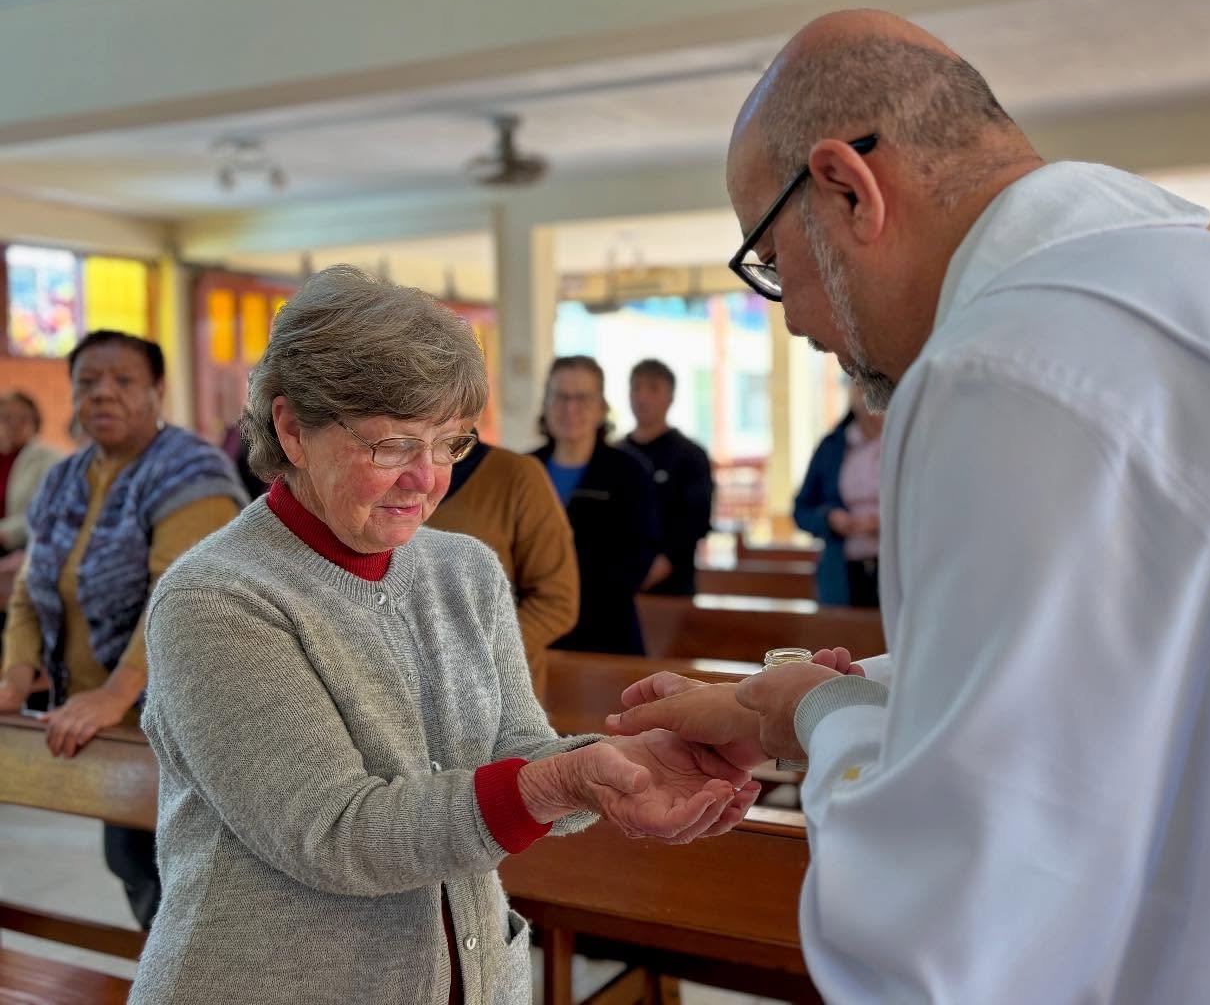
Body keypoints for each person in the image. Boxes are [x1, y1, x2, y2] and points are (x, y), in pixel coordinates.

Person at [608, 10, 1210, 1001]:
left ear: (845, 187)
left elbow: (964, 915)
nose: (787, 317)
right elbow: (1146, 660)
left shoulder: (1008, 368)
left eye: (773, 263)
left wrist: (827, 715)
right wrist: (772, 708)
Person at [128, 269, 758, 1005]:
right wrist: (553, 784)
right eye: (392, 445)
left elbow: (513, 749)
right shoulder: (217, 598)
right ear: (294, 429)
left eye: (450, 444)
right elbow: (333, 830)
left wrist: (617, 764)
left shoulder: (466, 570)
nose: (425, 480)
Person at [0, 331, 246, 931]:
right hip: (121, 722)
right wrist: (14, 675)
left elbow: (179, 600)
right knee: (135, 858)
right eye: (87, 381)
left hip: (197, 718)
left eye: (124, 380)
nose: (103, 394)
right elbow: (31, 588)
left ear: (157, 390)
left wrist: (114, 693)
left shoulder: (193, 474)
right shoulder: (66, 477)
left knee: (196, 876)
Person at [426, 435, 580, 696]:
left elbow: (557, 602)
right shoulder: (387, 471)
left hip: (496, 695)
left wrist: (471, 656)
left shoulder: (518, 476)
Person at [532, 356, 661, 655]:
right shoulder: (525, 468)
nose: (570, 408)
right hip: (536, 634)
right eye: (561, 397)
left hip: (606, 633)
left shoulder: (629, 471)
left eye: (582, 398)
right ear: (547, 403)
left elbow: (640, 555)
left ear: (601, 408)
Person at [623, 358, 714, 596]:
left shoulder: (690, 456)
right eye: (636, 387)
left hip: (673, 588)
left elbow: (695, 521)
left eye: (653, 388)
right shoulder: (614, 455)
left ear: (670, 398)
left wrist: (660, 566)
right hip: (618, 585)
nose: (642, 396)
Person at [792, 381, 883, 606]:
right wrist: (830, 518)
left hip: (895, 564)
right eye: (860, 387)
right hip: (843, 570)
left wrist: (884, 521)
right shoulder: (832, 446)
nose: (865, 397)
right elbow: (801, 510)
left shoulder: (908, 441)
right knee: (845, 635)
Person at [0, 391, 62, 556]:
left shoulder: (50, 460)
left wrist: (6, 533)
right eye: (6, 417)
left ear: (35, 422)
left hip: (21, 550)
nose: (14, 424)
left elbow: (48, 511)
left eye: (22, 418)